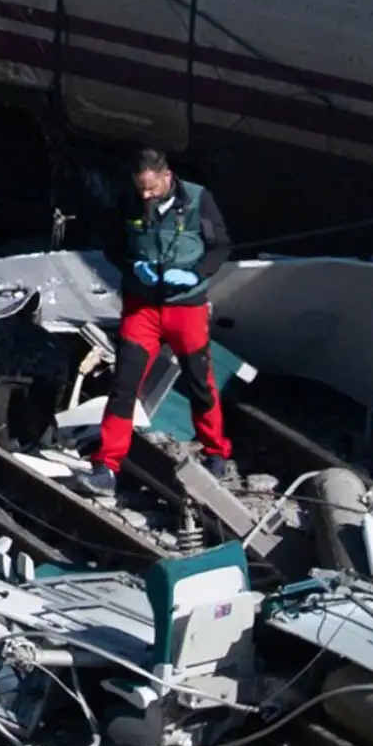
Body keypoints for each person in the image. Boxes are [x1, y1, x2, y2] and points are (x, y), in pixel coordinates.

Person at [78, 148, 233, 496]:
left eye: (151, 189)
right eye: (140, 189)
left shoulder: (198, 199)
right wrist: (132, 267)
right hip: (142, 306)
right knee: (124, 384)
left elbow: (220, 246)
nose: (145, 195)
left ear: (167, 176)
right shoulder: (128, 202)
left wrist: (195, 275)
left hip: (185, 307)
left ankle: (215, 452)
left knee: (200, 381)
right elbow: (113, 246)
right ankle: (106, 466)